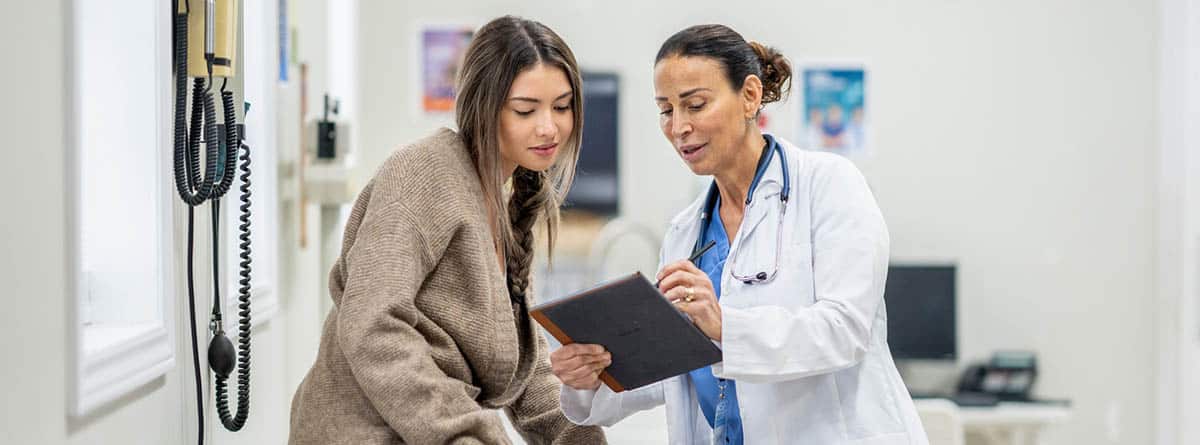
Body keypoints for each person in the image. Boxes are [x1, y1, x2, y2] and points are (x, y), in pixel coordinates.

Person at [549, 24, 928, 444]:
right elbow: (676, 370)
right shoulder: (685, 232)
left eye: (695, 105)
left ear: (749, 96)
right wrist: (594, 374)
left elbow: (845, 330)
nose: (679, 127)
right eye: (666, 110)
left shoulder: (829, 185)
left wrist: (724, 325)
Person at [289, 16, 606, 444]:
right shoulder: (423, 173)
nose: (549, 127)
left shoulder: (505, 204)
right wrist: (464, 433)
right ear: (483, 106)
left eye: (563, 107)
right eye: (526, 110)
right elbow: (372, 324)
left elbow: (526, 371)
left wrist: (579, 437)